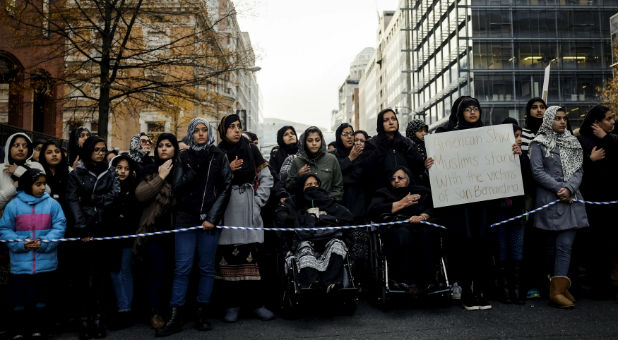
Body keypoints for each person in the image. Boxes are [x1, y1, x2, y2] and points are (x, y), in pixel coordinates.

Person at [155, 118, 232, 337]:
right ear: (191, 133)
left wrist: (212, 217)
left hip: (209, 221)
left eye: (204, 130)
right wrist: (194, 167)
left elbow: (226, 187)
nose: (200, 134)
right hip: (186, 219)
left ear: (209, 132)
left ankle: (201, 313)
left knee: (206, 267)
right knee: (182, 267)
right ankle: (175, 316)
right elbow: (177, 185)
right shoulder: (184, 156)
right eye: (196, 130)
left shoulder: (219, 156)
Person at [216, 114, 275, 323]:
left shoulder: (251, 149)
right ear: (223, 130)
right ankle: (232, 306)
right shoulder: (218, 153)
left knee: (253, 258)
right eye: (231, 126)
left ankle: (257, 305)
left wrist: (258, 202)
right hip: (227, 210)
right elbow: (211, 184)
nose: (236, 130)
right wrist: (227, 170)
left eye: (239, 126)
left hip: (250, 208)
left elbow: (267, 177)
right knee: (229, 258)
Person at [529, 106, 588, 309]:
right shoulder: (539, 143)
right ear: (548, 121)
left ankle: (558, 290)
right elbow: (536, 171)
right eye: (558, 118)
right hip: (550, 200)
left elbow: (578, 169)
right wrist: (559, 188)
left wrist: (569, 188)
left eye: (564, 118)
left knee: (565, 245)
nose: (563, 122)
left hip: (570, 200)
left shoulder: (572, 141)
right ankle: (556, 287)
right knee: (550, 248)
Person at [0, 168, 66, 339]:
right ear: (28, 185)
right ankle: (19, 329)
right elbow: (5, 229)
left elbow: (59, 226)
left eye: (44, 184)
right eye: (38, 184)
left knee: (42, 298)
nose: (43, 188)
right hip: (20, 265)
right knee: (20, 299)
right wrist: (22, 244)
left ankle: (40, 328)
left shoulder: (52, 204)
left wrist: (44, 243)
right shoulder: (13, 205)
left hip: (46, 263)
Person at [65, 136, 120, 339]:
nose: (100, 152)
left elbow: (114, 195)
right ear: (88, 150)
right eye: (96, 149)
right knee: (82, 278)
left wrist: (90, 199)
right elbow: (72, 201)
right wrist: (82, 229)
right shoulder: (76, 174)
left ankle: (98, 319)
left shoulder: (111, 171)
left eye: (103, 149)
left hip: (104, 228)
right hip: (84, 231)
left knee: (101, 277)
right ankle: (84, 320)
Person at [134, 133, 181, 329]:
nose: (163, 148)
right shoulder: (149, 169)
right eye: (160, 145)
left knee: (174, 272)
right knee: (156, 273)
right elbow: (141, 195)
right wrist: (161, 176)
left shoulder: (182, 170)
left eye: (168, 145)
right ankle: (154, 312)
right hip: (154, 230)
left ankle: (173, 311)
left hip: (177, 229)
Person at [274, 173, 353, 290]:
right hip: (303, 240)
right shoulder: (293, 201)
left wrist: (324, 214)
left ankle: (333, 283)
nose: (313, 187)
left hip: (327, 239)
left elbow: (347, 216)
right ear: (301, 187)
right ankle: (312, 283)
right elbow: (282, 218)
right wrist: (307, 216)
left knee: (337, 244)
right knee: (305, 247)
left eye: (316, 184)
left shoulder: (326, 199)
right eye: (309, 184)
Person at [368, 166, 438, 293]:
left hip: (419, 224)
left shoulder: (421, 191)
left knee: (426, 234)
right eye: (393, 178)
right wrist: (401, 203)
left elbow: (432, 207)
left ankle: (429, 279)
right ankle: (402, 279)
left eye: (400, 178)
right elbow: (374, 211)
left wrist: (423, 216)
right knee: (403, 234)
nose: (396, 181)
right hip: (395, 227)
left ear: (408, 179)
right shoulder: (383, 193)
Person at [576, 105, 617, 298]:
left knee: (609, 244)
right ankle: (590, 284)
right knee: (592, 243)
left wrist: (606, 139)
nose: (612, 122)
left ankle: (607, 283)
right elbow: (575, 170)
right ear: (596, 122)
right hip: (590, 202)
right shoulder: (581, 140)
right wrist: (589, 160)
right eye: (608, 118)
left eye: (613, 118)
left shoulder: (613, 139)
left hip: (611, 203)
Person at [494, 118, 531, 304]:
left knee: (517, 250)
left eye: (519, 136)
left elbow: (529, 181)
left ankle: (516, 288)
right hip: (500, 212)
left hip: (517, 211)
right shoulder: (493, 159)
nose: (518, 140)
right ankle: (504, 289)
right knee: (502, 250)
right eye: (514, 136)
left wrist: (521, 158)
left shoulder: (524, 158)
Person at [107, 154, 139, 328]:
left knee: (125, 271)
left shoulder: (133, 187)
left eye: (126, 168)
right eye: (119, 167)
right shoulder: (107, 185)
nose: (123, 171)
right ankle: (121, 306)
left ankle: (125, 310)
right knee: (114, 272)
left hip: (127, 235)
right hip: (110, 235)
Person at [364, 109, 426, 191]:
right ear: (380, 124)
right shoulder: (372, 144)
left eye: (394, 119)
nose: (391, 122)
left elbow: (419, 169)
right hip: (383, 195)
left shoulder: (407, 143)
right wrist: (381, 147)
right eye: (386, 120)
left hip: (408, 192)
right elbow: (367, 171)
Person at [286, 126, 343, 201]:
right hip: (303, 208)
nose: (314, 143)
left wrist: (327, 198)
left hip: (327, 206)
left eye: (317, 140)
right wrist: (298, 176)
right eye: (310, 140)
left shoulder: (331, 159)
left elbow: (338, 188)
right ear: (305, 142)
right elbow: (289, 188)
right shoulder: (297, 161)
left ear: (321, 141)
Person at [0, 133, 49, 214]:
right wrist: (13, 188)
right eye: (16, 145)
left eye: (25, 146)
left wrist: (21, 172)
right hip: (8, 222)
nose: (21, 149)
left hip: (34, 219)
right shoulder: (1, 169)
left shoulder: (36, 166)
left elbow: (47, 191)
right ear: (9, 148)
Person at [405, 119, 430, 186]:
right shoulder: (406, 148)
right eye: (420, 130)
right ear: (412, 131)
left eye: (425, 130)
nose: (424, 133)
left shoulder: (429, 146)